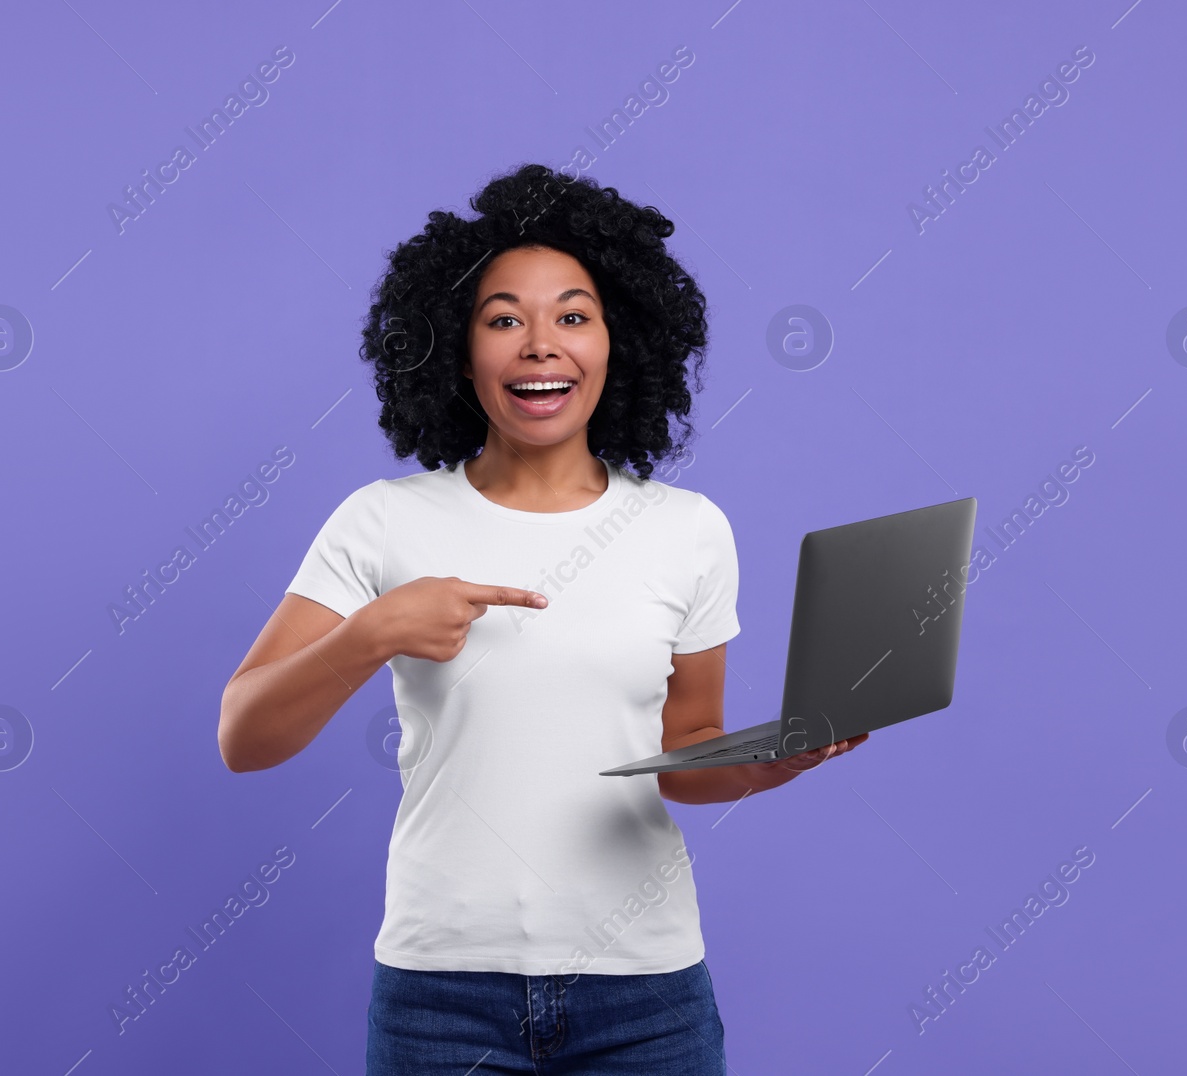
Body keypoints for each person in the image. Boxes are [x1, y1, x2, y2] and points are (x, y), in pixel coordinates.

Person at [216, 162, 867, 1073]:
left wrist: (775, 763)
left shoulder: (687, 531)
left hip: (646, 995)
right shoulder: (383, 520)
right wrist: (373, 634)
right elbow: (243, 736)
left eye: (572, 315)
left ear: (619, 341)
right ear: (454, 347)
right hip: (441, 994)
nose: (539, 345)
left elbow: (687, 761)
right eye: (502, 319)